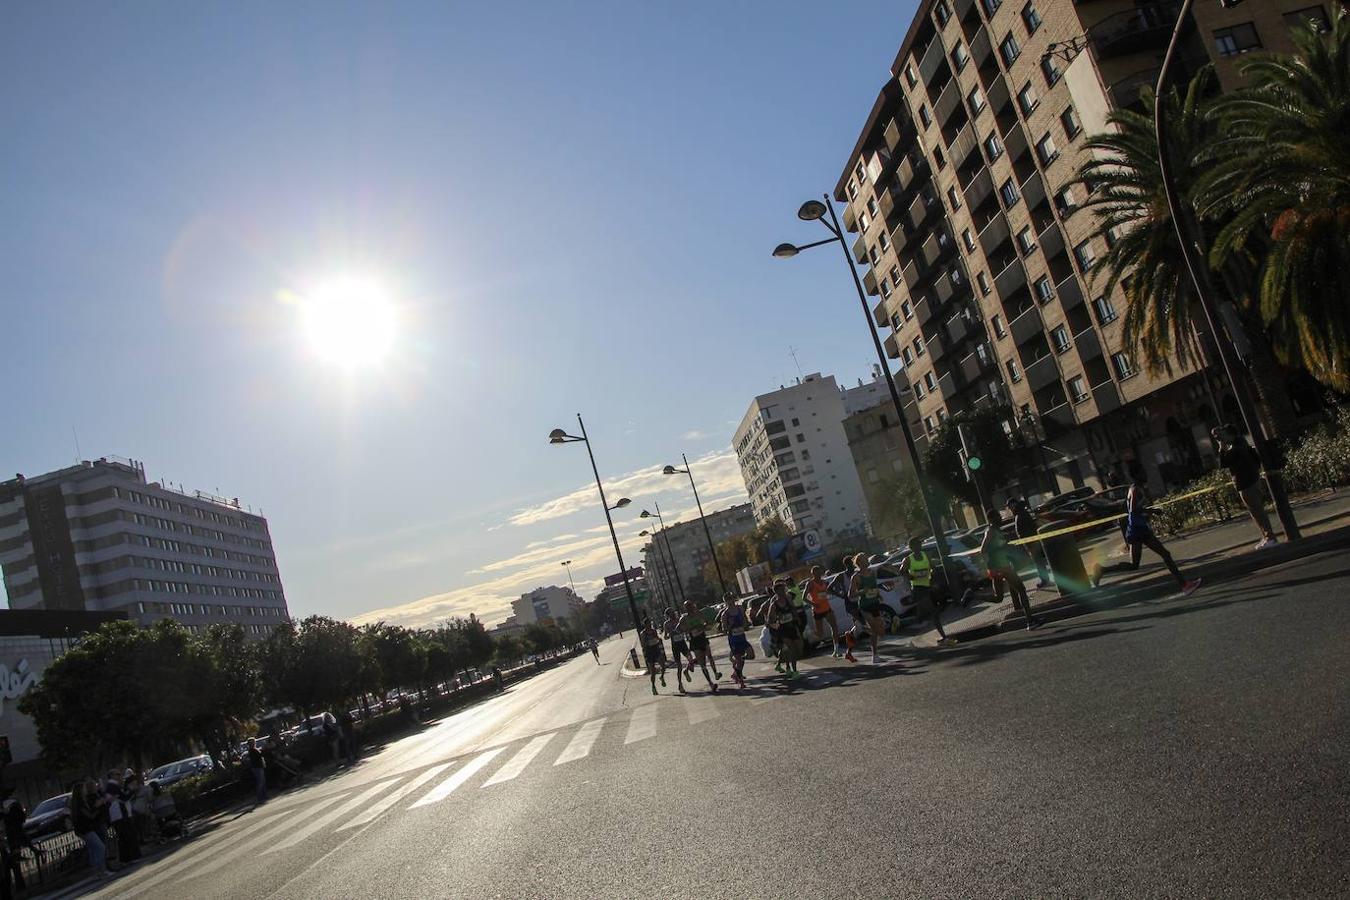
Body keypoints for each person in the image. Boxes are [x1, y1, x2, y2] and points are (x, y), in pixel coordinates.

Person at [1091, 474, 1202, 595]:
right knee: (1166, 554)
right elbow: (1133, 510)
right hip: (1139, 529)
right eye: (1143, 474)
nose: (1146, 477)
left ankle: (1102, 570)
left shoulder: (1134, 489)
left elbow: (1132, 509)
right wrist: (1153, 511)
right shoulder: (1135, 490)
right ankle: (1184, 585)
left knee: (1134, 565)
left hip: (1136, 529)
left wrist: (1147, 512)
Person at [1212, 425, 1279, 550]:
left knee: (1257, 511)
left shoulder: (1236, 448)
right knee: (1256, 511)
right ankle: (1267, 536)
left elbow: (1223, 463)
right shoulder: (1242, 444)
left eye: (1224, 435)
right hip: (1252, 480)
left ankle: (1270, 537)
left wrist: (1221, 448)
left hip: (1246, 483)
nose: (1222, 438)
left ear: (1230, 435)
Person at [982, 509, 1042, 631]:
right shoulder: (990, 531)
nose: (1000, 518)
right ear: (991, 519)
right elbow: (983, 550)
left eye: (999, 516)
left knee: (998, 598)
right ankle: (1030, 621)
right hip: (999, 566)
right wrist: (1001, 548)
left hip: (1002, 565)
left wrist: (1007, 547)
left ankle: (972, 595)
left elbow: (1000, 546)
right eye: (997, 516)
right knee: (1021, 589)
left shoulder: (997, 531)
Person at [899, 536, 956, 646]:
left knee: (923, 615)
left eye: (919, 544)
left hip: (927, 586)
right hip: (918, 588)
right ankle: (944, 637)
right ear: (911, 547)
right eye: (915, 545)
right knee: (934, 612)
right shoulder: (908, 559)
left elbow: (932, 567)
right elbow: (902, 571)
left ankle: (903, 621)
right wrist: (911, 577)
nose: (918, 547)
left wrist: (931, 574)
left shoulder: (926, 556)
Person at [806, 566, 851, 660]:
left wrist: (841, 594)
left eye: (819, 572)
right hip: (817, 610)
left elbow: (831, 590)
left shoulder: (824, 582)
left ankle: (836, 650)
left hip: (827, 608)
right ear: (812, 574)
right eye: (816, 572)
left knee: (834, 627)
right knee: (820, 634)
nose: (818, 574)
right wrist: (813, 604)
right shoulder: (810, 584)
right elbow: (803, 598)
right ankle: (810, 632)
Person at [849, 553, 887, 664]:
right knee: (874, 629)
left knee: (881, 632)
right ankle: (875, 656)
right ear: (859, 563)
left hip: (875, 603)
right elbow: (850, 595)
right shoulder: (856, 577)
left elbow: (874, 587)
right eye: (864, 559)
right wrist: (861, 592)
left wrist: (879, 595)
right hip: (865, 606)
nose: (867, 560)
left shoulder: (872, 573)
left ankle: (875, 655)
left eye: (867, 558)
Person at [677, 601, 721, 693]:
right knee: (702, 663)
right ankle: (710, 683)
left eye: (691, 605)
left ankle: (716, 673)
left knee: (709, 656)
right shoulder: (684, 618)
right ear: (685, 608)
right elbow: (678, 628)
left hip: (702, 638)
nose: (690, 607)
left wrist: (704, 626)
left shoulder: (698, 613)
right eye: (687, 606)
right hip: (694, 641)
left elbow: (706, 623)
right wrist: (688, 630)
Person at [1006, 497, 1050, 588]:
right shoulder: (1021, 513)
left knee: (1038, 561)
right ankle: (1044, 579)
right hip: (1030, 542)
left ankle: (1044, 579)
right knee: (1038, 561)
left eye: (1010, 506)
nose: (1009, 509)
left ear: (1013, 504)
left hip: (1031, 542)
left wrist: (1027, 541)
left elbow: (1026, 529)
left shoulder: (1021, 513)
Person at [70, 780, 110, 877]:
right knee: (100, 847)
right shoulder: (80, 803)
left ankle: (98, 872)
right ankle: (99, 869)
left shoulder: (82, 801)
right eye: (84, 788)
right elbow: (90, 816)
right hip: (85, 829)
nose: (85, 790)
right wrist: (98, 806)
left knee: (93, 849)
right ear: (80, 791)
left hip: (85, 829)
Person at [764, 583, 801, 680]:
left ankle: (789, 668)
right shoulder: (774, 604)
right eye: (781, 590)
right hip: (783, 629)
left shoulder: (788, 600)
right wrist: (776, 619)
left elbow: (794, 610)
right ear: (776, 592)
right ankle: (794, 670)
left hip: (792, 626)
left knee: (797, 647)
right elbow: (769, 620)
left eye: (784, 589)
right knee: (791, 647)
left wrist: (797, 618)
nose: (783, 592)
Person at [718, 596, 753, 689]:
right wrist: (730, 625)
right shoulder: (725, 614)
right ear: (725, 601)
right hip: (734, 639)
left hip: (742, 637)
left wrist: (746, 624)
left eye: (731, 599)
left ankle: (736, 671)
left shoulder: (740, 608)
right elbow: (724, 630)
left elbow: (745, 619)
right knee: (739, 661)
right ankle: (741, 681)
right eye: (728, 600)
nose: (730, 601)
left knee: (751, 655)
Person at [662, 608, 694, 694]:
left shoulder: (679, 620)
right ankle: (680, 685)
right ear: (668, 615)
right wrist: (669, 634)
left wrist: (684, 631)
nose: (673, 614)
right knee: (679, 667)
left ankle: (686, 671)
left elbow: (686, 628)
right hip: (675, 646)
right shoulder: (666, 624)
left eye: (674, 612)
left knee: (690, 659)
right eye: (671, 613)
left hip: (682, 643)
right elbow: (665, 637)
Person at [638, 617, 667, 695]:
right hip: (649, 652)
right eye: (647, 624)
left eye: (649, 624)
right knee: (653, 672)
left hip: (656, 649)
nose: (649, 625)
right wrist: (648, 642)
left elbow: (657, 638)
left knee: (663, 666)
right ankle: (653, 686)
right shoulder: (643, 633)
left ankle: (662, 677)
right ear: (645, 625)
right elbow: (643, 644)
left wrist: (658, 639)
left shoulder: (654, 631)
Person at [247, 737, 267, 806]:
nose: (254, 743)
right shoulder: (252, 750)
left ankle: (264, 795)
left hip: (259, 767)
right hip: (257, 767)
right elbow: (260, 755)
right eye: (253, 742)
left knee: (262, 781)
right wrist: (263, 749)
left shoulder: (254, 749)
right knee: (260, 782)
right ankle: (260, 797)